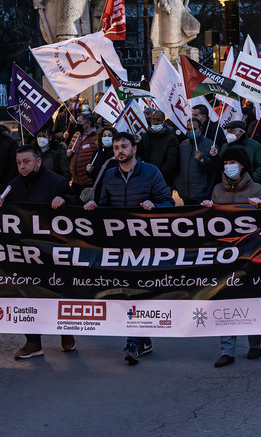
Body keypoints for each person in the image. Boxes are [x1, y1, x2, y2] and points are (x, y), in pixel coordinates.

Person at [83, 132, 174, 365]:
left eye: (124, 146)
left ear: (134, 148)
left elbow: (168, 202)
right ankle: (142, 340)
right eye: (115, 148)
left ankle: (133, 342)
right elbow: (105, 206)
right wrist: (95, 206)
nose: (119, 151)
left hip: (145, 245)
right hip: (119, 246)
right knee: (127, 291)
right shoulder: (110, 175)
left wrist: (156, 205)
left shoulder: (151, 172)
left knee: (137, 290)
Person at [0, 146, 73, 360]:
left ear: (38, 162)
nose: (22, 166)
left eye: (26, 162)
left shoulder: (56, 182)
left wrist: (64, 201)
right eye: (18, 162)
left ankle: (66, 330)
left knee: (58, 292)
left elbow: (76, 205)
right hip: (25, 253)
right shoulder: (13, 185)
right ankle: (33, 341)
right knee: (27, 296)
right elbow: (0, 209)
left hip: (53, 251)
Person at [200, 147, 261, 368]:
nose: (229, 166)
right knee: (225, 298)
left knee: (250, 298)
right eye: (226, 161)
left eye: (234, 162)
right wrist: (207, 210)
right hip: (225, 254)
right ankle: (227, 350)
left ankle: (254, 344)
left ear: (243, 165)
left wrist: (260, 208)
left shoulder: (257, 189)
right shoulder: (217, 189)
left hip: (249, 252)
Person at [174, 106, 219, 206]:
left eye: (194, 129)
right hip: (184, 194)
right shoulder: (183, 145)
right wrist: (177, 185)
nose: (191, 132)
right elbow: (178, 167)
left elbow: (214, 168)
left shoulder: (210, 146)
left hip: (202, 194)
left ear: (200, 129)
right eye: (189, 129)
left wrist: (202, 159)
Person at [138, 110, 180, 186]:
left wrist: (158, 175)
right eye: (153, 119)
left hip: (163, 180)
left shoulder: (171, 138)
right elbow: (140, 156)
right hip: (146, 178)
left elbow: (171, 161)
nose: (156, 122)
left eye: (159, 120)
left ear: (164, 121)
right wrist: (137, 143)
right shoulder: (145, 136)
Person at [221, 120, 261, 185]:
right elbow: (220, 166)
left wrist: (249, 180)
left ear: (240, 132)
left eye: (231, 131)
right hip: (228, 186)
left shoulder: (254, 146)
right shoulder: (225, 146)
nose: (228, 134)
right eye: (228, 131)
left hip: (249, 186)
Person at [66, 114, 100, 203]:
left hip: (88, 183)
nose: (77, 124)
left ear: (88, 124)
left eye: (80, 122)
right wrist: (68, 152)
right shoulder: (76, 135)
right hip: (75, 182)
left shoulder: (96, 138)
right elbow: (69, 148)